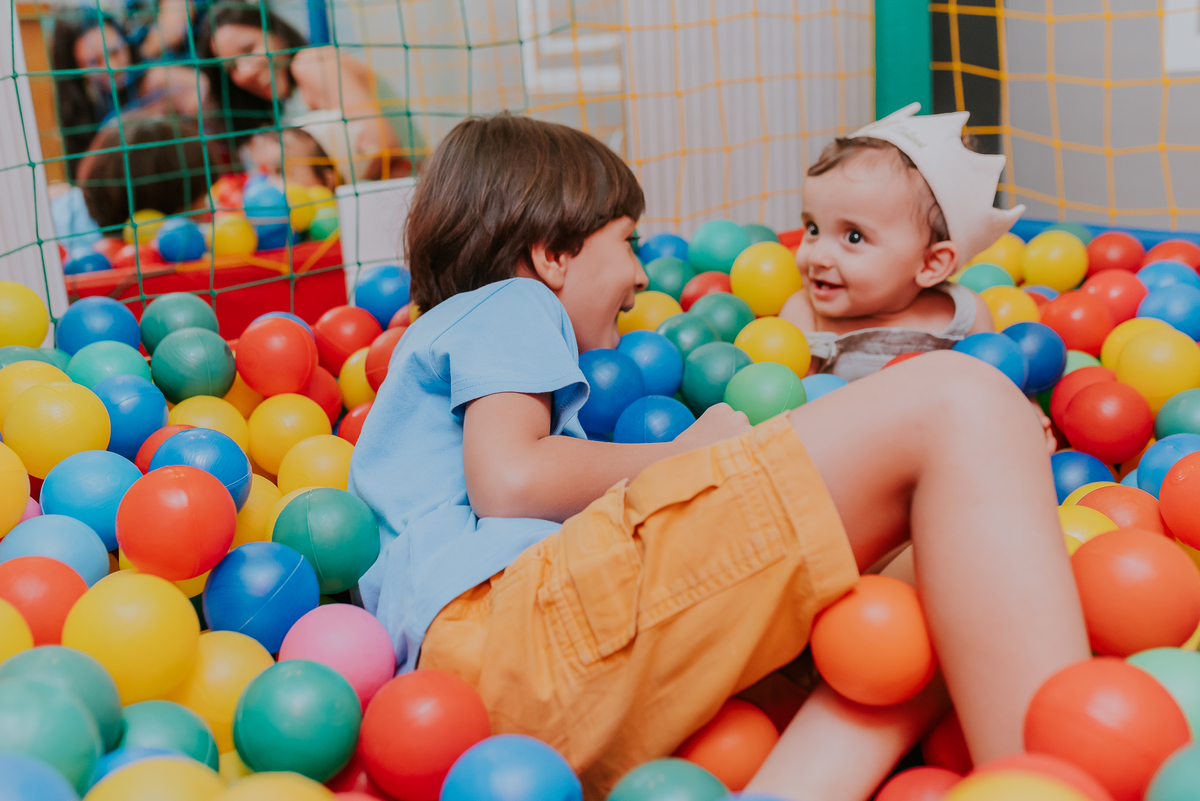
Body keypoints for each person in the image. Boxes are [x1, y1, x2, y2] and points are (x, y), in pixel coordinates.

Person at [348, 113, 1089, 801]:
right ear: (552, 255)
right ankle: (1054, 779)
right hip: (511, 633)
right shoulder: (509, 303)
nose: (642, 277)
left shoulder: (452, 344)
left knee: (931, 572)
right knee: (963, 398)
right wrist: (679, 455)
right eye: (629, 243)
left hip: (483, 705)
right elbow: (510, 481)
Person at [778, 103, 1022, 382]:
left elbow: (996, 384)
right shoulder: (805, 312)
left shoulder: (964, 316)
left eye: (854, 237)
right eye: (813, 229)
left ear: (931, 263)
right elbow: (792, 395)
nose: (816, 256)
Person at [196, 1, 420, 180]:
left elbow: (384, 146)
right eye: (232, 67)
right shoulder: (285, 106)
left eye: (249, 49)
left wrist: (312, 184)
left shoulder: (310, 63)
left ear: (276, 34)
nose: (245, 72)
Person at [51, 11, 140, 180]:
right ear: (76, 69)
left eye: (114, 52)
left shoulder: (159, 80)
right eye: (94, 62)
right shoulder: (77, 111)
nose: (111, 67)